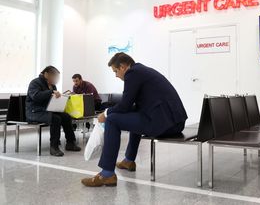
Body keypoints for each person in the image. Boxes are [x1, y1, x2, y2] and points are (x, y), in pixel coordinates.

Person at [81, 53, 187, 187]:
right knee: (134, 114)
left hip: (164, 123)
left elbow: (125, 105)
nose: (116, 76)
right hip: (175, 122)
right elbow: (131, 106)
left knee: (112, 120)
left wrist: (106, 113)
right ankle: (129, 160)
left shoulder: (133, 73)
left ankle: (107, 174)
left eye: (115, 71)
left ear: (123, 67)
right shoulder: (141, 70)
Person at [25, 66, 81, 157]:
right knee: (55, 119)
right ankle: (54, 147)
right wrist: (50, 92)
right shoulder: (35, 83)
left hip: (47, 110)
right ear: (46, 74)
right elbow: (35, 96)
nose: (55, 79)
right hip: (34, 112)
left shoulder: (53, 85)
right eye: (54, 76)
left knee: (66, 116)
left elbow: (51, 98)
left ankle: (70, 143)